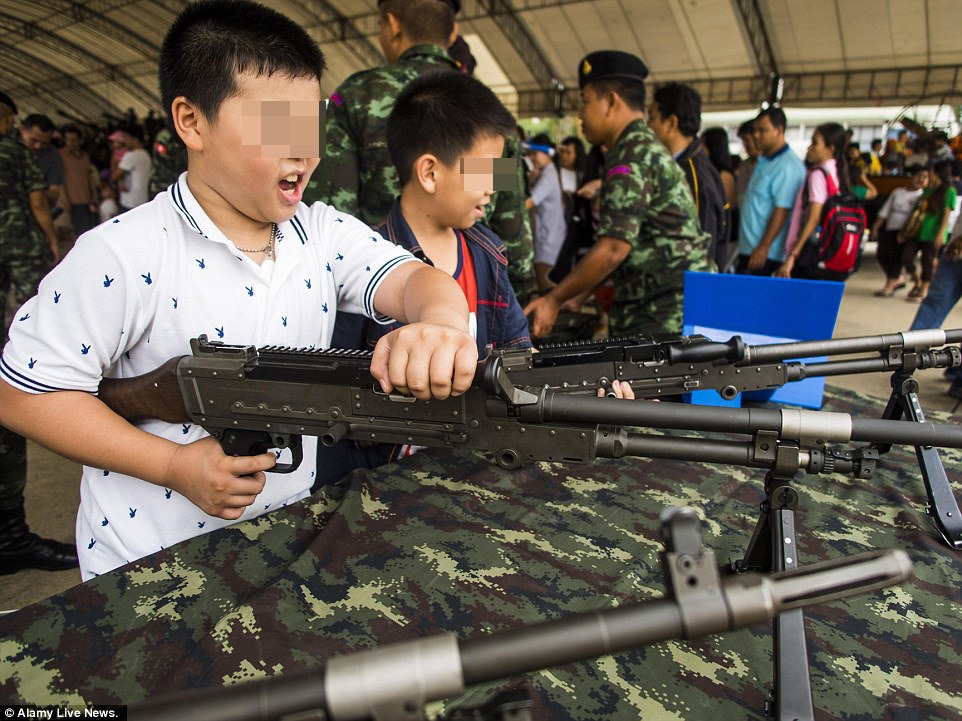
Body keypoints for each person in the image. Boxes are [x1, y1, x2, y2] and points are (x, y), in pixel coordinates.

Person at [0, 0, 477, 581]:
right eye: (277, 125)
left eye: (312, 124)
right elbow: (25, 394)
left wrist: (441, 324)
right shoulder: (123, 253)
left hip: (282, 548)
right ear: (192, 121)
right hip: (147, 572)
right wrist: (173, 465)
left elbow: (416, 280)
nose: (305, 150)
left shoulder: (321, 233)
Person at [305, 0, 535, 317]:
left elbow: (321, 208)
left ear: (392, 23)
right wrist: (519, 296)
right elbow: (510, 224)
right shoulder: (487, 114)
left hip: (369, 302)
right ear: (453, 32)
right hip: (470, 297)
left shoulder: (353, 95)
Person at [524, 50, 711, 339]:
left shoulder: (631, 154)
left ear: (610, 101)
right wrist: (582, 291)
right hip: (660, 303)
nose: (581, 114)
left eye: (585, 102)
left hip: (660, 310)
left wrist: (554, 299)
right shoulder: (636, 148)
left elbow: (615, 248)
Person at [0, 90, 77, 575]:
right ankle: (9, 535)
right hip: (18, 257)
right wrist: (52, 242)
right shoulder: (13, 153)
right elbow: (38, 202)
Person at [646, 82, 729, 270]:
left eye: (652, 118)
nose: (648, 126)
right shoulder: (679, 165)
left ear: (671, 123)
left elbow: (702, 249)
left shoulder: (694, 177)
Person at [736, 106, 805, 275]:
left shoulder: (787, 166)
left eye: (762, 130)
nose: (756, 136)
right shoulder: (765, 161)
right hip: (748, 248)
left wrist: (764, 246)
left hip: (765, 254)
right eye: (755, 131)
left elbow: (781, 210)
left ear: (779, 130)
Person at [775, 122, 848, 279]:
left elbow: (813, 219)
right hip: (832, 251)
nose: (810, 147)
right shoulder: (838, 172)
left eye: (815, 143)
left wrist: (792, 256)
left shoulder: (818, 175)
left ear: (831, 148)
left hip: (812, 253)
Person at [900, 159, 957, 303]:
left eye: (931, 172)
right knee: (906, 256)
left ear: (937, 173)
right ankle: (917, 281)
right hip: (917, 231)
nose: (929, 175)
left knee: (928, 261)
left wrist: (940, 234)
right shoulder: (928, 190)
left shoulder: (949, 191)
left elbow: (946, 214)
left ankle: (923, 289)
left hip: (933, 233)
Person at [871, 165, 929, 296]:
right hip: (891, 227)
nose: (921, 179)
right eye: (919, 176)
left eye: (925, 177)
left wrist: (905, 233)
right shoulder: (898, 192)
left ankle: (889, 286)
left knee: (896, 258)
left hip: (907, 233)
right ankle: (897, 279)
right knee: (882, 254)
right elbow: (885, 211)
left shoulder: (922, 197)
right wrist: (876, 226)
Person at [524, 132, 567, 289]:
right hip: (546, 238)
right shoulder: (544, 173)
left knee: (546, 286)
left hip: (548, 241)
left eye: (534, 153)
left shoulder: (548, 175)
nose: (531, 158)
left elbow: (529, 202)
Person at [59, 125, 101, 239]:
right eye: (68, 140)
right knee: (72, 232)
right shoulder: (60, 156)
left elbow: (90, 176)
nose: (71, 143)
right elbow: (59, 179)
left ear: (80, 141)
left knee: (86, 230)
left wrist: (94, 194)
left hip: (85, 199)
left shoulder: (84, 156)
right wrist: (64, 198)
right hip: (71, 200)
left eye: (74, 140)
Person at [112, 126, 152, 210]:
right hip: (142, 200)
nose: (125, 141)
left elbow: (114, 176)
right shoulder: (146, 154)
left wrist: (113, 160)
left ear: (135, 139)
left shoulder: (131, 156)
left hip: (129, 202)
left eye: (126, 138)